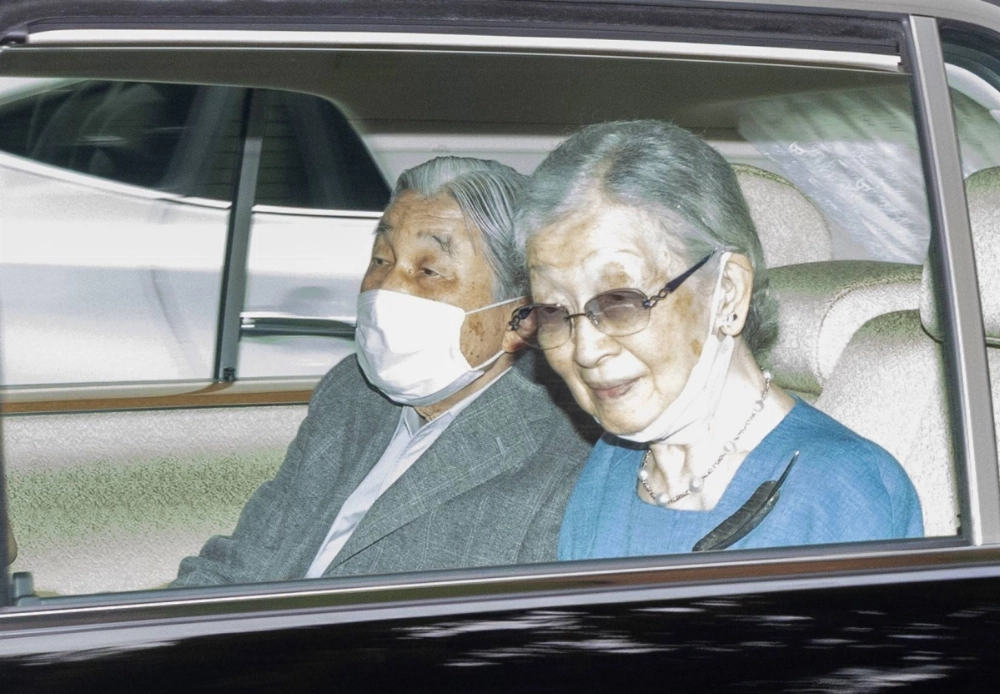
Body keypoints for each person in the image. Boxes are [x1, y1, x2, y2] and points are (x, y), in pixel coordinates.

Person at [509, 121, 923, 560]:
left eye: (620, 300)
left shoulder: (838, 489)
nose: (585, 350)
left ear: (727, 291)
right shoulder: (614, 463)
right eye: (552, 312)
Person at [174, 157, 591, 586]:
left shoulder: (564, 456)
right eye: (380, 259)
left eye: (428, 271)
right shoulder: (350, 392)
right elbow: (243, 562)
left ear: (519, 320)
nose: (388, 287)